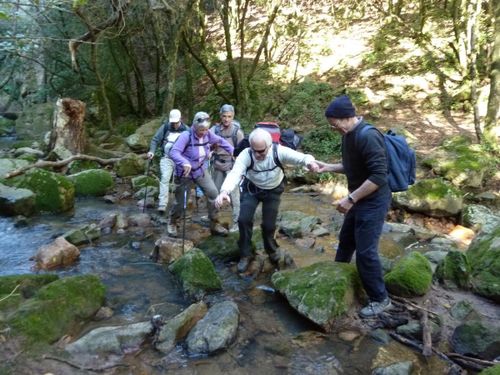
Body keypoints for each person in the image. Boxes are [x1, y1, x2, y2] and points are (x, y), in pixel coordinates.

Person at [316, 94, 392, 318]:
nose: (334, 129)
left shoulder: (368, 136)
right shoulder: (348, 135)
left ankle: (381, 299)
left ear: (347, 117)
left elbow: (379, 176)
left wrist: (350, 199)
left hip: (374, 201)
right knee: (346, 239)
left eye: (335, 124)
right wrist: (327, 167)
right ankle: (338, 275)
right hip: (359, 198)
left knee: (366, 252)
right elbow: (353, 166)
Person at [215, 128, 319, 273]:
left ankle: (272, 250)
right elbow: (235, 173)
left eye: (261, 151)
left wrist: (310, 163)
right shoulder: (246, 155)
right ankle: (245, 254)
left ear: (269, 146)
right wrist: (224, 191)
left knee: (269, 225)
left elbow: (302, 158)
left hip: (273, 191)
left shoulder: (279, 151)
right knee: (243, 220)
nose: (257, 155)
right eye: (254, 150)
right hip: (252, 190)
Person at [168, 111, 234, 237]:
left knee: (214, 193)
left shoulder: (208, 134)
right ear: (195, 126)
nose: (204, 132)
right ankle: (172, 221)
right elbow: (174, 152)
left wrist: (232, 151)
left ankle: (214, 223)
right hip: (184, 173)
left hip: (200, 170)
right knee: (181, 202)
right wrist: (184, 162)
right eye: (201, 130)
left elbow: (220, 141)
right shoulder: (186, 136)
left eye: (205, 129)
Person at [210, 104, 245, 232]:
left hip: (232, 167)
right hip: (217, 165)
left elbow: (243, 153)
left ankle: (236, 223)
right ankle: (214, 220)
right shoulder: (214, 130)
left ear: (233, 116)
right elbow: (207, 144)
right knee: (214, 194)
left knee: (235, 197)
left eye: (229, 116)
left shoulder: (237, 132)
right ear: (220, 116)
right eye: (224, 116)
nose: (226, 119)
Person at [147, 109, 188, 214]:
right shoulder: (165, 127)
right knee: (165, 179)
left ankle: (176, 205)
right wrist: (152, 151)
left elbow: (191, 145)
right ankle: (162, 204)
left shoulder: (187, 130)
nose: (174, 125)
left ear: (180, 119)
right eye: (172, 122)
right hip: (167, 158)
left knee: (177, 182)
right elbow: (155, 140)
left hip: (180, 160)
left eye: (176, 122)